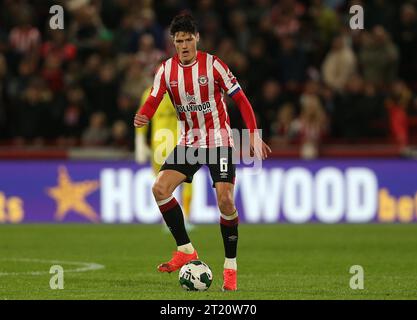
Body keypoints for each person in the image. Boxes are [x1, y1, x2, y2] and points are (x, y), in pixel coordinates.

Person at [134, 13, 271, 291]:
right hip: (190, 142)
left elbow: (241, 100)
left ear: (197, 38)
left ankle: (230, 267)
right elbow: (153, 98)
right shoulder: (166, 70)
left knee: (226, 202)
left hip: (219, 141)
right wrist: (144, 115)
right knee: (160, 189)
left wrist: (254, 135)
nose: (183, 45)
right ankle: (185, 249)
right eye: (178, 41)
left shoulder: (214, 66)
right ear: (173, 43)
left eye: (187, 40)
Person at [135, 86, 194, 231]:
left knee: (162, 184)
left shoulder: (149, 92)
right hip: (177, 142)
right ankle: (184, 217)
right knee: (186, 181)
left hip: (158, 144)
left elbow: (142, 117)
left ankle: (168, 220)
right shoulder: (181, 90)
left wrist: (140, 141)